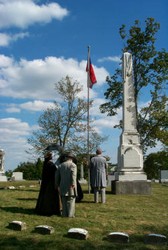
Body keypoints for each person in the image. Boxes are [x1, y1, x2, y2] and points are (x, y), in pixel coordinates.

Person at [35, 152, 61, 216]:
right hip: (51, 182)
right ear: (50, 157)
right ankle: (51, 209)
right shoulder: (51, 164)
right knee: (50, 196)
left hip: (45, 182)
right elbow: (55, 173)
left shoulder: (45, 163)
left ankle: (41, 208)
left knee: (44, 195)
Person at [55, 152, 77, 217]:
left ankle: (64, 214)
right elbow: (73, 175)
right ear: (72, 158)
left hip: (62, 185)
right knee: (71, 200)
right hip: (70, 185)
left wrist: (56, 184)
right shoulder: (73, 165)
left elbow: (57, 176)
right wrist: (73, 184)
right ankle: (70, 215)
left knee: (64, 200)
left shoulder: (60, 165)